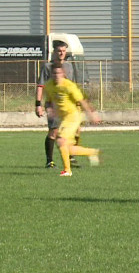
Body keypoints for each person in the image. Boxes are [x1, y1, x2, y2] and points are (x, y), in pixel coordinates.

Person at [43, 63, 100, 177]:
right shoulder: (48, 86)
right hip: (63, 118)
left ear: (63, 73)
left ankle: (67, 171)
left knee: (61, 140)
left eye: (59, 73)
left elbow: (82, 101)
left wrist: (91, 114)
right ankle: (92, 152)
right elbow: (48, 101)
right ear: (51, 74)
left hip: (73, 116)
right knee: (67, 147)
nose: (56, 75)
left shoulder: (69, 86)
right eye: (54, 73)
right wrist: (48, 109)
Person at [35, 40, 81, 169]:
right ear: (54, 52)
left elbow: (72, 86)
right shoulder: (47, 67)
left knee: (76, 130)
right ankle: (49, 161)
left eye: (64, 51)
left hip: (69, 105)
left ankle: (71, 157)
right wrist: (38, 104)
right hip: (53, 105)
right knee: (54, 132)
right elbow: (40, 86)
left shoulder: (69, 66)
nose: (61, 53)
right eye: (59, 51)